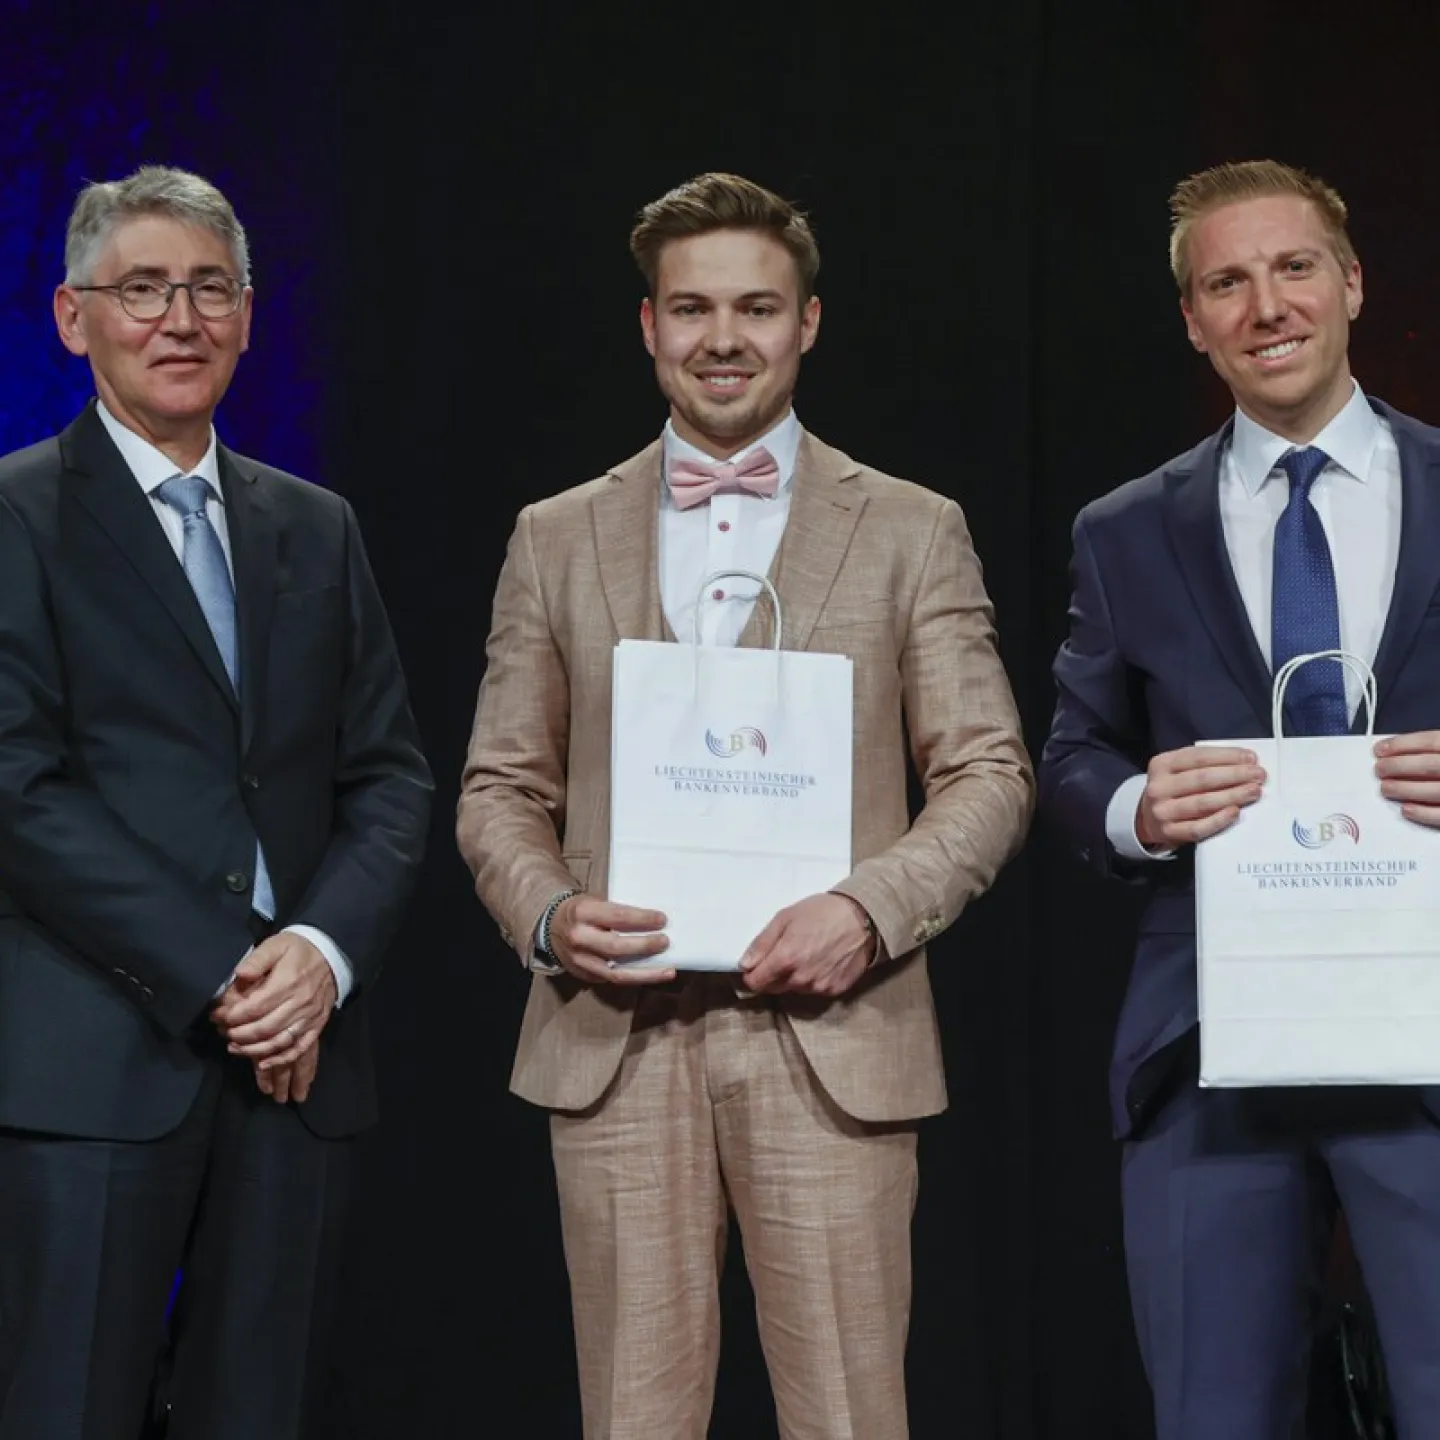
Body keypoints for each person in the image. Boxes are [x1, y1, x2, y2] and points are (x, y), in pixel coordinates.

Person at [458, 171, 1031, 1439]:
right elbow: (501, 786)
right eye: (693, 308)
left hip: (832, 1039)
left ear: (808, 324)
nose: (724, 338)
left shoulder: (911, 530)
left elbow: (989, 772)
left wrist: (867, 911)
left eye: (757, 308)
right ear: (648, 328)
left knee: (847, 1418)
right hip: (620, 1041)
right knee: (633, 1419)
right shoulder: (555, 535)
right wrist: (550, 913)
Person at [0, 165, 432, 1440]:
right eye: (142, 290)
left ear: (248, 314)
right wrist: (231, 969)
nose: (178, 319)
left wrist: (317, 953)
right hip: (95, 1071)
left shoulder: (315, 525)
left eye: (208, 289)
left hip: (297, 1074)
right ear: (74, 317)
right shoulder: (15, 514)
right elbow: (16, 786)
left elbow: (389, 776)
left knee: (265, 1412)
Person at [1041, 158, 1440, 1438]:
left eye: (1292, 267)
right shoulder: (1124, 530)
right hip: (1208, 1054)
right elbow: (1071, 760)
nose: (1266, 305)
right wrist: (1138, 809)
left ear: (1351, 284)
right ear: (1194, 321)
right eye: (1228, 282)